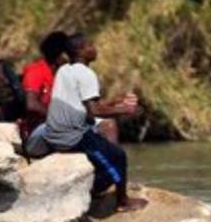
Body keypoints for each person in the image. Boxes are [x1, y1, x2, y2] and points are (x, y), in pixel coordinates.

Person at [43, 33, 147, 212]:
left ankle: (97, 186)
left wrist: (114, 103)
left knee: (105, 146)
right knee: (118, 157)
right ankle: (121, 202)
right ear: (81, 51)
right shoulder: (86, 74)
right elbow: (95, 111)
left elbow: (85, 110)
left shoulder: (64, 70)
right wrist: (126, 110)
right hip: (71, 137)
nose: (95, 48)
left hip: (53, 132)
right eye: (90, 45)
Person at [20, 31, 71, 158]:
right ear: (59, 56)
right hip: (36, 133)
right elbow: (31, 105)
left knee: (104, 126)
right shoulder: (36, 71)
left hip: (56, 128)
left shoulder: (61, 76)